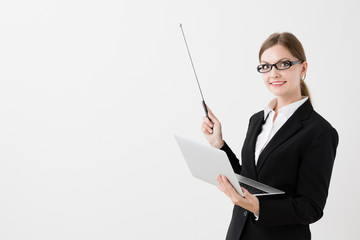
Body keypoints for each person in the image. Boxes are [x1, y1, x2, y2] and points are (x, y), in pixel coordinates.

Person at [201, 32, 339, 240]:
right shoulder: (257, 120)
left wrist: (259, 207)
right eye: (265, 66)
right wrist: (219, 145)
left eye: (283, 64)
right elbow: (248, 180)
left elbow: (311, 208)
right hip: (238, 234)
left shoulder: (319, 131)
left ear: (303, 68)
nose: (273, 73)